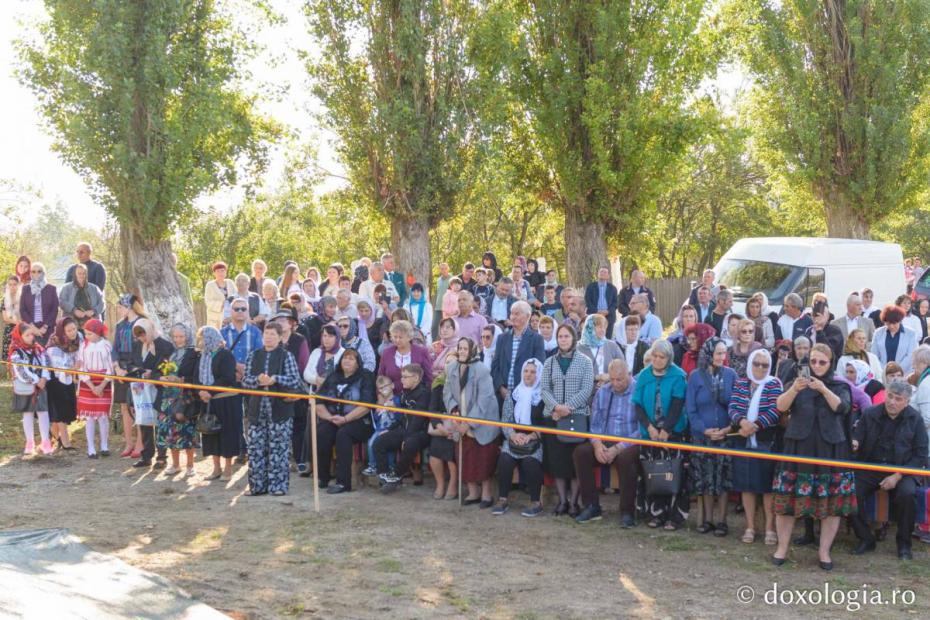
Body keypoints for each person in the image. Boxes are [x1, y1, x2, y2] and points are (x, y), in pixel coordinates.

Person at [772, 343, 857, 571]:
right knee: (787, 500)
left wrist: (822, 389)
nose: (817, 366)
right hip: (798, 448)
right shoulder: (796, 383)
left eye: (822, 362)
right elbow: (780, 406)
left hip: (830, 450)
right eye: (813, 361)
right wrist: (794, 390)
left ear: (830, 364)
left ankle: (824, 551)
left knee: (831, 505)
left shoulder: (840, 385)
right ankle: (782, 548)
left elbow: (842, 408)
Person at [850, 381, 929, 560]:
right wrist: (855, 443)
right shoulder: (870, 413)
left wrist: (898, 475)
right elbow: (858, 438)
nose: (892, 402)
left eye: (898, 399)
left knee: (907, 494)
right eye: (890, 396)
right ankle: (865, 538)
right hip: (871, 466)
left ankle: (904, 544)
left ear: (907, 402)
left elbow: (921, 455)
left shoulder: (915, 419)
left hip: (902, 469)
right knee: (851, 490)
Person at [574, 358, 641, 526]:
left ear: (629, 375)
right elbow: (594, 424)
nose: (615, 383)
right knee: (581, 453)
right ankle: (591, 505)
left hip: (630, 441)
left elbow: (642, 429)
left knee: (626, 459)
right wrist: (597, 445)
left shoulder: (639, 391)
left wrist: (619, 447)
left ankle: (627, 511)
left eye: (620, 379)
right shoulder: (603, 391)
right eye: (612, 379)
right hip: (606, 439)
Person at [240, 322, 302, 496]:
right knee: (255, 450)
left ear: (280, 337)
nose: (268, 337)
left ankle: (278, 487)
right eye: (266, 333)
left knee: (279, 450)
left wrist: (275, 379)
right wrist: (258, 380)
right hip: (256, 411)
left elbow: (294, 380)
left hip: (280, 410)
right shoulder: (254, 355)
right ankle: (257, 487)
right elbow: (245, 381)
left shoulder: (286, 356)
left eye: (273, 334)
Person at [729, 349, 783, 546]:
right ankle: (750, 526)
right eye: (756, 363)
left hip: (765, 441)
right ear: (750, 364)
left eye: (765, 365)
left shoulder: (774, 384)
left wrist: (756, 425)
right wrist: (742, 422)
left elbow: (775, 410)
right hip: (742, 439)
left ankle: (770, 528)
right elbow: (733, 406)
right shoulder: (741, 383)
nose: (760, 368)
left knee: (767, 487)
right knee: (747, 485)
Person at [633, 339, 689, 530]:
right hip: (649, 434)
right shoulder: (643, 376)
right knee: (652, 474)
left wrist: (666, 430)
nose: (657, 360)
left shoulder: (678, 376)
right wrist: (650, 427)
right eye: (655, 356)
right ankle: (655, 513)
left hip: (672, 433)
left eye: (661, 357)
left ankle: (674, 516)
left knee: (672, 474)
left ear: (669, 358)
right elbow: (637, 405)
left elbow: (677, 405)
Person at [541, 324, 595, 517]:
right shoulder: (549, 362)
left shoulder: (585, 362)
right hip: (554, 417)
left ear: (573, 338)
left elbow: (587, 388)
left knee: (575, 463)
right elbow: (544, 389)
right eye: (560, 336)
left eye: (566, 336)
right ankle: (562, 501)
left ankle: (574, 503)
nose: (563, 339)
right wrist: (556, 407)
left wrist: (568, 408)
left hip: (577, 417)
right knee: (558, 463)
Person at [686, 338, 736, 536]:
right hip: (703, 436)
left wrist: (726, 429)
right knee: (705, 479)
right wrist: (703, 429)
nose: (721, 358)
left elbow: (736, 404)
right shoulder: (696, 376)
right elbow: (691, 408)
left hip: (725, 435)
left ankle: (722, 521)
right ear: (708, 353)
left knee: (723, 479)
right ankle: (707, 520)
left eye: (724, 353)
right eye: (717, 353)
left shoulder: (731, 375)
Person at [444, 336, 501, 508]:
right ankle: (472, 492)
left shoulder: (481, 370)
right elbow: (447, 392)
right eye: (459, 348)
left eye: (465, 348)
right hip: (459, 419)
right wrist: (454, 411)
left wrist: (468, 423)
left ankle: (486, 494)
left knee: (483, 459)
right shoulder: (452, 367)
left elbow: (484, 399)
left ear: (472, 350)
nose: (462, 351)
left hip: (482, 421)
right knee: (465, 458)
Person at [493, 358, 546, 518]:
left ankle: (536, 502)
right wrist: (513, 434)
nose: (528, 375)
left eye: (533, 372)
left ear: (539, 374)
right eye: (526, 371)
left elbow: (546, 424)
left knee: (531, 462)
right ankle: (502, 499)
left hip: (535, 439)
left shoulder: (544, 397)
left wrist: (531, 436)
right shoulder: (513, 394)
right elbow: (505, 420)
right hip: (515, 437)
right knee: (505, 459)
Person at [375, 363, 432, 492]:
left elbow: (418, 419)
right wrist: (389, 429)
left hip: (421, 432)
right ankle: (384, 476)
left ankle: (396, 475)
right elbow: (402, 416)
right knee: (379, 442)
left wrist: (406, 437)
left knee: (410, 443)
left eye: (405, 377)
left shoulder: (424, 393)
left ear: (416, 378)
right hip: (405, 428)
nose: (402, 380)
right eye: (402, 377)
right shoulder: (404, 392)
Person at [197, 326, 243, 481]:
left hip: (226, 400)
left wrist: (210, 391)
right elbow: (197, 377)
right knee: (211, 433)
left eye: (203, 338)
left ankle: (228, 469)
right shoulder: (203, 356)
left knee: (227, 434)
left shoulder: (225, 355)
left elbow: (227, 377)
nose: (201, 342)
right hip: (207, 401)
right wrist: (201, 392)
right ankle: (216, 468)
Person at [128, 319, 174, 469]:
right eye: (139, 335)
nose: (142, 338)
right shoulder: (137, 346)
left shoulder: (165, 346)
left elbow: (168, 368)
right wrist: (138, 371)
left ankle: (162, 456)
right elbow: (130, 364)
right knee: (144, 422)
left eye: (143, 334)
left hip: (159, 388)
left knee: (161, 422)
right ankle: (146, 455)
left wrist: (152, 374)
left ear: (150, 330)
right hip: (141, 389)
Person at [157, 324, 199, 477]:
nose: (178, 339)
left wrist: (181, 379)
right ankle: (175, 464)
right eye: (175, 336)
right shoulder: (169, 352)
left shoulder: (193, 352)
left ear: (187, 336)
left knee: (187, 431)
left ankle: (190, 465)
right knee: (169, 431)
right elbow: (158, 370)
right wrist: (163, 378)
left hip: (185, 397)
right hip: (168, 397)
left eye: (181, 336)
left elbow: (196, 374)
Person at [9, 323, 54, 456]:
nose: (30, 337)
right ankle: (30, 442)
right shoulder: (16, 352)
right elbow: (21, 371)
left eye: (31, 334)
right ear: (20, 336)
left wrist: (44, 378)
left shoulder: (39, 349)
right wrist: (35, 381)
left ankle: (45, 441)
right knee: (27, 413)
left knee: (43, 412)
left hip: (41, 386)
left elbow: (46, 364)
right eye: (27, 335)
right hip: (27, 387)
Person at [491, 301, 545, 403]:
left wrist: (524, 390)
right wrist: (501, 388)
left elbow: (539, 368)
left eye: (517, 314)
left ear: (528, 316)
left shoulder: (536, 339)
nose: (513, 317)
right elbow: (495, 366)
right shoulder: (502, 338)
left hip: (526, 396)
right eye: (512, 313)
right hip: (503, 396)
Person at [112, 294, 146, 458]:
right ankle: (128, 443)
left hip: (136, 369)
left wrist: (130, 370)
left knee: (137, 406)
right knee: (124, 406)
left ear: (129, 307)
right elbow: (115, 348)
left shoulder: (141, 323)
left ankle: (140, 443)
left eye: (121, 306)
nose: (118, 310)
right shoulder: (120, 325)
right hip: (121, 369)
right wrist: (117, 367)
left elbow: (142, 349)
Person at [76, 319, 114, 458]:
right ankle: (91, 448)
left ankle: (104, 445)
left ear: (98, 333)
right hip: (88, 382)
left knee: (103, 416)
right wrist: (92, 386)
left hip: (104, 381)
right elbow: (81, 367)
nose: (87, 336)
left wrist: (102, 385)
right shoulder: (83, 346)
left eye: (90, 334)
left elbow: (110, 366)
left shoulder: (107, 346)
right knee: (90, 417)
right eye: (85, 333)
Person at [45, 317, 81, 451]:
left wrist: (75, 369)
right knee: (60, 412)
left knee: (65, 411)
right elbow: (59, 370)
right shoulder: (54, 346)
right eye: (69, 330)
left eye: (74, 329)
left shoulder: (78, 338)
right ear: (62, 331)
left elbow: (80, 356)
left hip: (69, 379)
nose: (73, 333)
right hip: (55, 381)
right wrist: (75, 368)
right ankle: (65, 442)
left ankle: (52, 435)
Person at [378, 320, 434, 394]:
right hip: (391, 397)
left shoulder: (422, 352)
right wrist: (381, 396)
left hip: (416, 397)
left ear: (409, 337)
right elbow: (380, 377)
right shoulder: (386, 353)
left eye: (400, 337)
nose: (397, 340)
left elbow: (428, 378)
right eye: (395, 337)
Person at [577, 314, 623, 389]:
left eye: (604, 327)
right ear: (590, 328)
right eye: (599, 327)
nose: (603, 330)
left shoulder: (612, 345)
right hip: (586, 393)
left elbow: (623, 367)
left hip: (610, 390)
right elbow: (575, 374)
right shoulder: (578, 348)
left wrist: (610, 376)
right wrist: (597, 377)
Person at [18, 262, 58, 346]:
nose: (36, 273)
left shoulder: (51, 289)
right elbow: (22, 310)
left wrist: (45, 327)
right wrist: (32, 327)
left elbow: (54, 310)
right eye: (33, 271)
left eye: (39, 271)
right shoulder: (26, 289)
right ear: (30, 273)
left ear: (44, 273)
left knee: (47, 355)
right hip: (30, 330)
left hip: (47, 329)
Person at [871, 304, 919, 374]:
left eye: (894, 323)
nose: (891, 326)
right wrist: (885, 370)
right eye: (888, 324)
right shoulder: (878, 333)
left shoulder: (911, 334)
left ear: (900, 320)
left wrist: (897, 370)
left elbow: (911, 355)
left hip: (904, 374)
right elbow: (874, 355)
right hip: (882, 373)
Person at [58, 263, 104, 328]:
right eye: (79, 273)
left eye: (84, 273)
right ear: (75, 274)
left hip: (91, 323)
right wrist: (74, 310)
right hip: (71, 323)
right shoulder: (66, 288)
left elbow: (102, 303)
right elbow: (62, 302)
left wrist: (94, 311)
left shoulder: (94, 288)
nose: (81, 275)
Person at [304, 324, 344, 392]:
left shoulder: (343, 353)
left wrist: (327, 382)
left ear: (337, 338)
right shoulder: (316, 352)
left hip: (335, 396)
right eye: (324, 336)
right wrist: (317, 380)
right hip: (315, 395)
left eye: (330, 336)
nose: (326, 339)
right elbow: (306, 374)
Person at [584, 266, 619, 339]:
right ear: (597, 274)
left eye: (605, 272)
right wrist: (597, 311)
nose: (602, 273)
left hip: (609, 317)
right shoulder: (591, 286)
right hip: (594, 315)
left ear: (608, 276)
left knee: (607, 338)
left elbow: (615, 303)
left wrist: (608, 311)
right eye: (601, 271)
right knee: (593, 337)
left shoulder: (612, 288)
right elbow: (587, 300)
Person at [204, 262, 234, 329]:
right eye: (217, 271)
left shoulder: (231, 283)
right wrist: (222, 304)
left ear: (226, 272)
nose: (220, 273)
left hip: (230, 318)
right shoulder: (210, 285)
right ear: (214, 273)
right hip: (215, 318)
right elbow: (208, 302)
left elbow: (236, 297)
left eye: (222, 271)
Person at [2, 276, 22, 368]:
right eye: (10, 285)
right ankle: (11, 378)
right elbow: (5, 318)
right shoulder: (4, 300)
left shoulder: (23, 299)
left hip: (21, 331)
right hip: (9, 331)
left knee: (20, 355)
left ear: (18, 285)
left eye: (14, 284)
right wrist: (18, 323)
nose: (12, 287)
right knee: (9, 356)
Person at [432, 262, 452, 342]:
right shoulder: (438, 280)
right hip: (438, 307)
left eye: (445, 268)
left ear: (448, 269)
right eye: (441, 269)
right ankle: (432, 343)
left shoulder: (452, 279)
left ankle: (444, 345)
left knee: (446, 328)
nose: (443, 270)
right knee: (434, 327)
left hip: (448, 309)